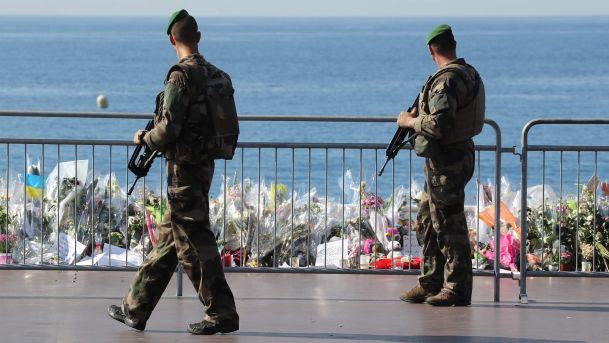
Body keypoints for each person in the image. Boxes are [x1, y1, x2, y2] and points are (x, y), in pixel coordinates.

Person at [108, 9, 239, 334]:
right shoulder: (216, 74)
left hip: (183, 169)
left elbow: (168, 129)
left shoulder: (181, 76)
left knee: (195, 239)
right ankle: (134, 308)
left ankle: (221, 313)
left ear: (171, 40)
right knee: (169, 239)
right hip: (204, 164)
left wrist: (144, 138)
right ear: (198, 37)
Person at [396, 24, 485, 306]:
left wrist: (409, 121)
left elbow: (440, 124)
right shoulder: (468, 72)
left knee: (449, 224)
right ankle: (431, 281)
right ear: (453, 44)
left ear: (430, 49)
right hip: (453, 157)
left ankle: (456, 288)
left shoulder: (446, 80)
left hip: (447, 160)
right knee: (429, 221)